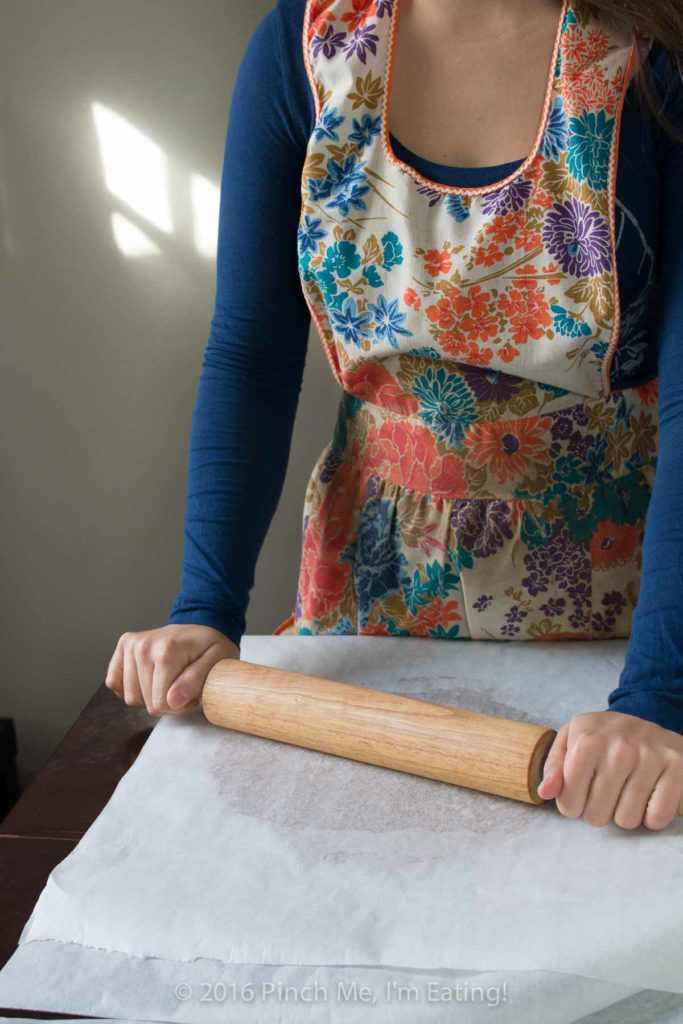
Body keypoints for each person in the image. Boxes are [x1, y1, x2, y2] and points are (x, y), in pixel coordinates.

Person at [106, 0, 683, 829]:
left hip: (622, 606)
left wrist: (659, 695)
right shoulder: (305, 49)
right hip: (373, 583)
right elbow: (252, 360)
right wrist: (204, 610)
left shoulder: (653, 54)